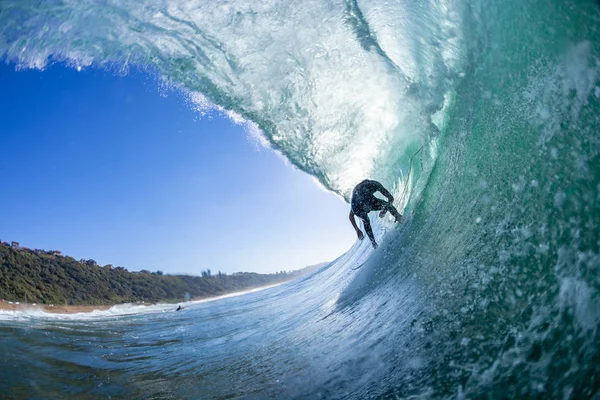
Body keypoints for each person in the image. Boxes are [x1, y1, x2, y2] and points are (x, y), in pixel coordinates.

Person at [349, 179, 402, 249]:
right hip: (359, 202)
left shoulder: (359, 191)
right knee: (386, 205)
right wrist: (385, 209)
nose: (368, 211)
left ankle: (374, 243)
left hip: (356, 205)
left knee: (366, 221)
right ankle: (399, 218)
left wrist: (357, 230)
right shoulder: (374, 184)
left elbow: (351, 216)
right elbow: (391, 198)